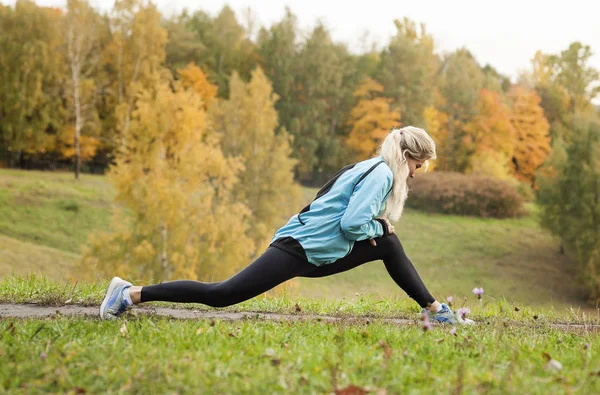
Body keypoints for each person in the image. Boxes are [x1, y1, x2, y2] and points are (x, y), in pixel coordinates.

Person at [100, 126, 473, 325]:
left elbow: (344, 209)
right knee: (222, 294)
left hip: (318, 249)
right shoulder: (382, 176)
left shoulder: (371, 166)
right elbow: (352, 222)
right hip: (300, 247)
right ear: (408, 156)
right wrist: (377, 227)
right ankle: (130, 293)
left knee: (390, 246)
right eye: (418, 165)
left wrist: (378, 230)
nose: (417, 173)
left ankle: (436, 310)